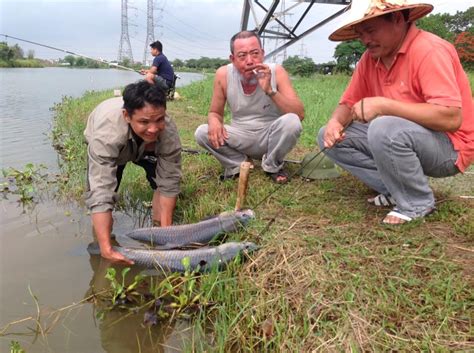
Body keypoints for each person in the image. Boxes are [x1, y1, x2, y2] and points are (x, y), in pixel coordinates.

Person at [318, 0, 473, 225]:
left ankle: (417, 202)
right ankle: (396, 189)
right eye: (361, 34)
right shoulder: (370, 60)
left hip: (451, 147)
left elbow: (451, 118)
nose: (365, 40)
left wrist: (384, 105)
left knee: (385, 127)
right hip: (409, 137)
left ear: (398, 20)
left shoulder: (429, 50)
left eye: (371, 30)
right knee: (327, 136)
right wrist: (335, 123)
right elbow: (348, 103)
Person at [84, 80, 182, 263]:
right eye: (144, 121)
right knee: (105, 199)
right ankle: (102, 244)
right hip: (113, 148)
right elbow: (100, 193)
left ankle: (158, 230)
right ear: (127, 116)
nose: (153, 128)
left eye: (159, 119)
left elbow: (169, 182)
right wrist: (107, 249)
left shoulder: (166, 131)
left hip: (147, 148)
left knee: (161, 186)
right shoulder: (106, 136)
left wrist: (168, 240)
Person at [194, 30, 305, 184]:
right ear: (232, 59)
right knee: (202, 132)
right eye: (242, 56)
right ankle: (239, 163)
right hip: (240, 136)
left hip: (270, 136)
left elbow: (299, 114)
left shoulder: (276, 71)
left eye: (255, 54)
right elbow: (215, 112)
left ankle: (272, 165)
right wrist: (214, 122)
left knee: (292, 121)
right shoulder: (223, 74)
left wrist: (270, 91)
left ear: (263, 53)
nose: (250, 61)